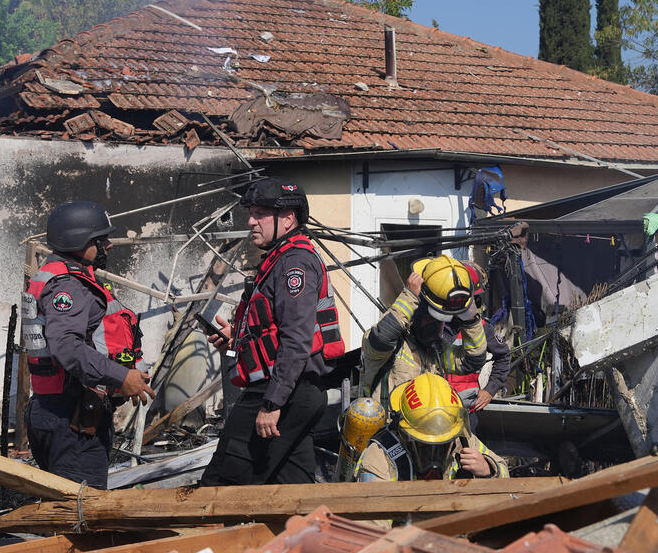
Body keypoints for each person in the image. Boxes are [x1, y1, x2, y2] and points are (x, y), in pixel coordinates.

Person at [200, 177, 344, 486]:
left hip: (283, 391)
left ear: (288, 218)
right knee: (290, 488)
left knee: (225, 481)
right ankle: (305, 535)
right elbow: (273, 329)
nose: (251, 221)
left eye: (261, 213)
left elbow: (297, 338)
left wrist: (272, 403)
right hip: (294, 390)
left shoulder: (295, 264)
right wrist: (234, 339)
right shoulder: (280, 259)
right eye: (251, 213)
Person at [21, 200, 154, 489]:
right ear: (78, 241)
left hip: (57, 410)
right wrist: (122, 376)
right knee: (82, 514)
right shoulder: (68, 285)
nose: (108, 245)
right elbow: (66, 346)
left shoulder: (61, 276)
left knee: (67, 506)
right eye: (100, 239)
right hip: (73, 419)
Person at [361, 255, 511, 413]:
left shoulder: (435, 354)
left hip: (432, 429)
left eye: (442, 320)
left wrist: (470, 321)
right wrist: (410, 296)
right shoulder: (392, 345)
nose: (438, 326)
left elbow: (472, 362)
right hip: (388, 431)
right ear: (417, 311)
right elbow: (382, 337)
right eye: (431, 318)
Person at [354, 374, 508, 482]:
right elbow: (373, 523)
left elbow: (504, 471)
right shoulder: (379, 457)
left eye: (443, 443)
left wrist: (489, 469)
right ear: (404, 432)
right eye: (425, 443)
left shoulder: (462, 440)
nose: (434, 453)